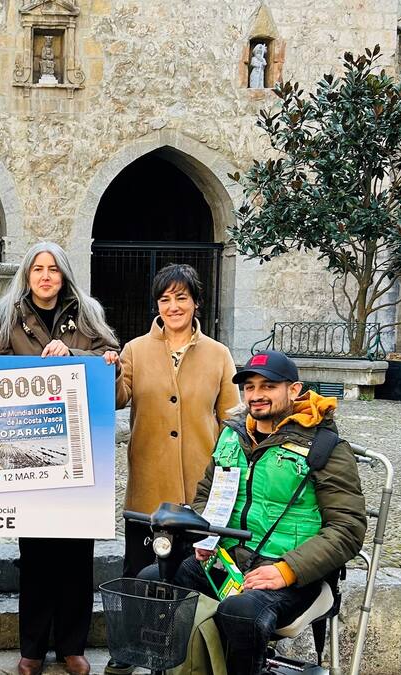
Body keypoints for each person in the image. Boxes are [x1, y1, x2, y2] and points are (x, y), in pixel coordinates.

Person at [139, 350, 366, 675]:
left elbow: (348, 529)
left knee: (240, 611)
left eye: (268, 386)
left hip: (291, 575)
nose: (256, 395)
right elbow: (207, 493)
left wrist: (287, 570)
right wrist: (205, 536)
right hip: (226, 561)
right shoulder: (233, 434)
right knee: (152, 582)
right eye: (249, 386)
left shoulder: (325, 448)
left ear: (294, 390)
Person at [0, 241, 120, 675]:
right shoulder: (4, 318)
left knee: (76, 555)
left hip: (78, 454)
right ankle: (32, 648)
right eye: (37, 269)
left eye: (53, 270)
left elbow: (111, 366)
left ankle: (72, 646)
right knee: (37, 554)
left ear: (64, 275)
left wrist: (74, 355)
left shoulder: (88, 315)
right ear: (27, 275)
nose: (45, 277)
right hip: (26, 453)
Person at [106, 264, 239, 675]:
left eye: (182, 297)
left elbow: (232, 418)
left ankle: (186, 651)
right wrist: (109, 370)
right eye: (165, 299)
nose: (173, 306)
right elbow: (117, 398)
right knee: (139, 572)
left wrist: (227, 476)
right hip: (149, 484)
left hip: (201, 490)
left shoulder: (218, 355)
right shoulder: (135, 349)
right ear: (157, 305)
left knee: (195, 572)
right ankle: (128, 649)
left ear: (196, 301)